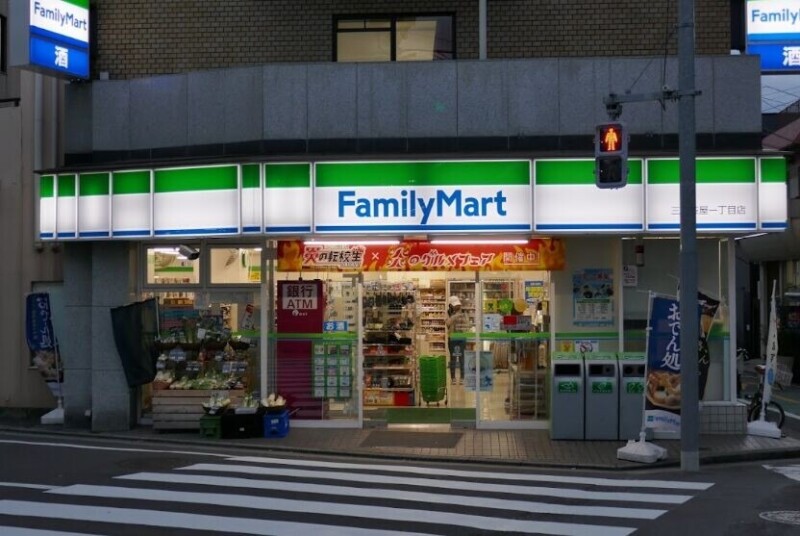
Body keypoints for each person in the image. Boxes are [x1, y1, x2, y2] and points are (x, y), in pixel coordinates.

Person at [446, 295, 469, 385]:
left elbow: (467, 324)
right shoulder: (448, 313)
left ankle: (462, 377)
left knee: (462, 358)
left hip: (461, 337)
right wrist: (455, 316)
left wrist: (462, 316)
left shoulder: (463, 312)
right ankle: (453, 378)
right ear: (450, 305)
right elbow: (448, 323)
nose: (457, 307)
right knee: (453, 358)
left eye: (457, 305)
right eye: (454, 305)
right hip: (452, 338)